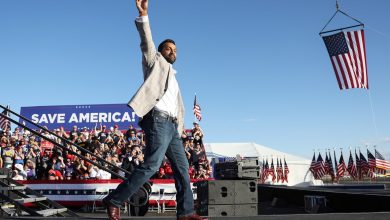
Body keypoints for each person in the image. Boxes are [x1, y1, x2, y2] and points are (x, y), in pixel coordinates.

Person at [103, 0, 201, 219]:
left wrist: (180, 129)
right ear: (161, 51)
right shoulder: (154, 62)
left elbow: (178, 107)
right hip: (157, 120)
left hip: (172, 126)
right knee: (152, 165)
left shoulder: (174, 77)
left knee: (183, 170)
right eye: (168, 48)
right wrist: (144, 16)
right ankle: (115, 199)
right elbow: (146, 42)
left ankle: (186, 212)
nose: (172, 51)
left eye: (175, 49)